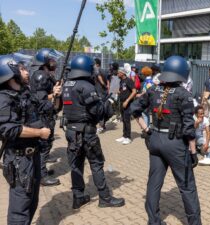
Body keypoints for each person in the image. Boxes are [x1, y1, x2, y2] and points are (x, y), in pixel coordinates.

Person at [131, 55, 201, 225]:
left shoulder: (153, 90)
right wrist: (193, 152)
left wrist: (147, 130)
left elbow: (134, 109)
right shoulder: (184, 94)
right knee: (187, 187)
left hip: (155, 140)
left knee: (154, 183)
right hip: (176, 145)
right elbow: (189, 128)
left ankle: (153, 221)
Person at [62, 55, 124, 209]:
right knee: (96, 164)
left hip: (71, 131)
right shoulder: (86, 86)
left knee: (76, 165)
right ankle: (105, 198)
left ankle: (78, 197)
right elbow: (98, 112)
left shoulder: (67, 84)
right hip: (86, 132)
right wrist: (108, 102)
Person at [0, 54, 51, 225]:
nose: (26, 71)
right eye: (21, 68)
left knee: (32, 201)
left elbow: (42, 107)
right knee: (20, 207)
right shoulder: (4, 98)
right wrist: (39, 133)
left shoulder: (24, 92)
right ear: (11, 72)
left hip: (33, 155)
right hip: (19, 159)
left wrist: (56, 98)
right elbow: (9, 129)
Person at [30, 48, 63, 186]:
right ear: (44, 61)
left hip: (48, 115)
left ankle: (40, 171)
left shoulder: (46, 74)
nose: (54, 62)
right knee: (44, 146)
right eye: (52, 60)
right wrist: (54, 93)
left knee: (46, 144)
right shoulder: (40, 76)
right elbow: (39, 99)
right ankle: (42, 176)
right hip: (42, 117)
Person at [115, 66, 137, 145]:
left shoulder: (129, 80)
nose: (117, 74)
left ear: (122, 73)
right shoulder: (121, 81)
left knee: (127, 120)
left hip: (127, 103)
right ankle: (124, 136)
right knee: (123, 119)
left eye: (118, 72)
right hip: (121, 102)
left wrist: (127, 101)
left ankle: (128, 137)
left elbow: (134, 91)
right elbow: (124, 90)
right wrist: (119, 92)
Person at [94, 58, 108, 133]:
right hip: (104, 92)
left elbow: (99, 77)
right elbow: (108, 79)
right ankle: (103, 125)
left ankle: (100, 126)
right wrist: (106, 87)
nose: (93, 65)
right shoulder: (104, 70)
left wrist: (104, 85)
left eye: (94, 64)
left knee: (100, 109)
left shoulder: (97, 70)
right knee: (103, 108)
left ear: (97, 64)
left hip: (99, 91)